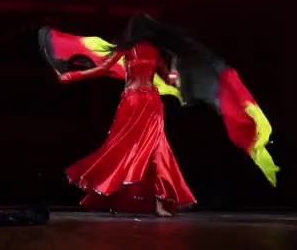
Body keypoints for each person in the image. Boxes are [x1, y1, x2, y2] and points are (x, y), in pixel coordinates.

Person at [57, 13, 196, 216]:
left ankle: (158, 202)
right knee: (122, 149)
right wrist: (71, 76)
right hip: (132, 104)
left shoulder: (154, 51)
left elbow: (168, 80)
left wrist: (177, 72)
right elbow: (102, 69)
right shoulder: (127, 49)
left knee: (157, 149)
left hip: (150, 104)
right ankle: (113, 194)